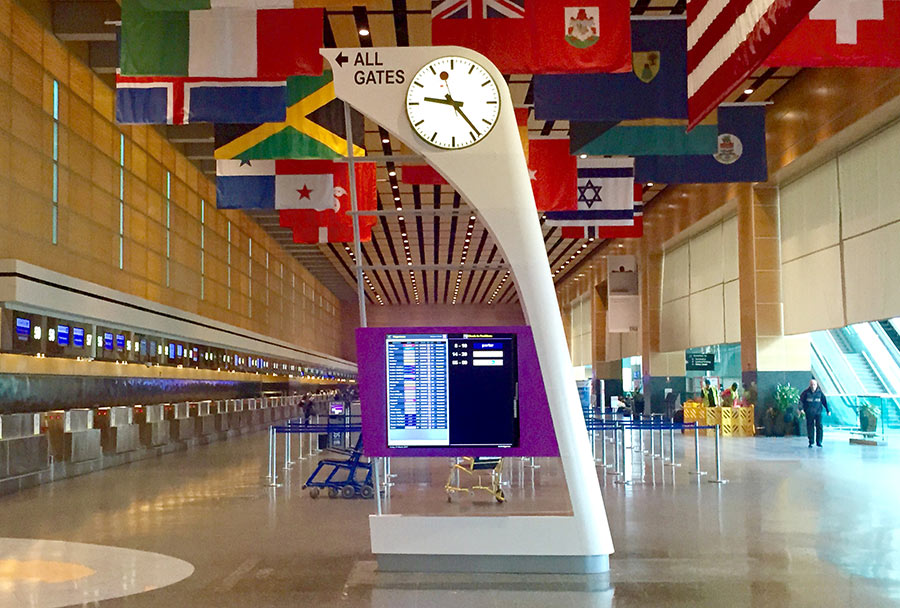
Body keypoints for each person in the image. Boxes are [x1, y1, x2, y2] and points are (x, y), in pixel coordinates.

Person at [799, 378, 830, 447]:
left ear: (816, 385)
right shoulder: (806, 393)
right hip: (809, 412)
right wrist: (801, 409)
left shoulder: (820, 393)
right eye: (811, 385)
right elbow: (801, 401)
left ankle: (819, 442)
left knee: (819, 426)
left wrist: (828, 410)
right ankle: (811, 441)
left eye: (814, 384)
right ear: (810, 385)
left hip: (818, 412)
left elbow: (824, 401)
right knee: (810, 427)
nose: (813, 386)